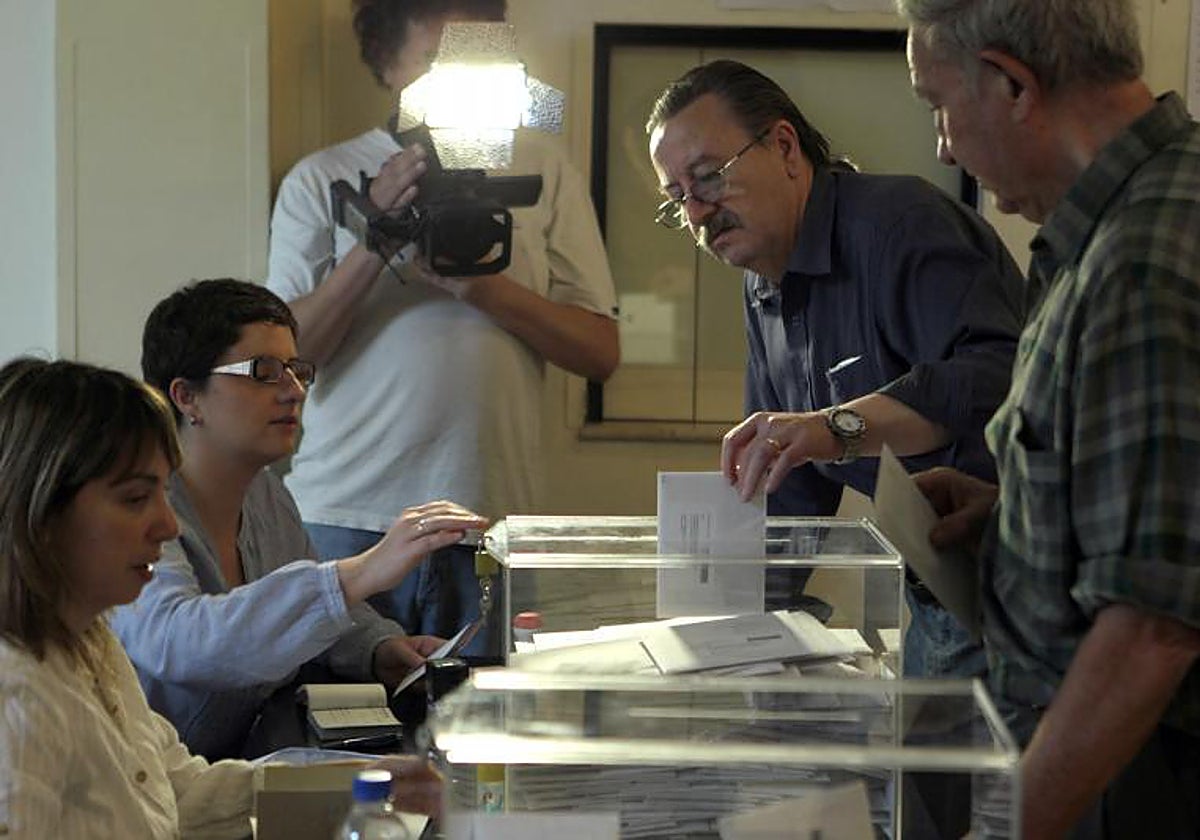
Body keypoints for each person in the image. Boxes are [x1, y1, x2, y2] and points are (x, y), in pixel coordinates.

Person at [898, 0, 1200, 836]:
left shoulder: (1139, 261)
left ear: (1012, 84)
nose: (944, 145)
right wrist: (1019, 511)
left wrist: (1007, 829)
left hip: (1128, 788)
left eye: (938, 106)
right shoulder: (1114, 228)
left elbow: (1151, 626)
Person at [646, 60, 1025, 679]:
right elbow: (789, 484)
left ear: (785, 146)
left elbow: (995, 376)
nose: (697, 214)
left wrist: (838, 426)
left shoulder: (900, 225)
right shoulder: (763, 282)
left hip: (1024, 576)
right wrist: (725, 634)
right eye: (676, 199)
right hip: (937, 586)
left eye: (709, 179)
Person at [267, 0, 619, 657]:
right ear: (385, 62)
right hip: (346, 516)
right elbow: (285, 357)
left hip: (488, 517)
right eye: (433, 61)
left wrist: (485, 291)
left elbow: (601, 351)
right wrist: (375, 240)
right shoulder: (323, 180)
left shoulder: (543, 172)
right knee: (338, 722)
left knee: (487, 738)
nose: (452, 80)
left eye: (474, 61)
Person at [113, 279, 487, 760]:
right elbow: (180, 641)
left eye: (296, 369)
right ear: (186, 396)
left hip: (224, 772)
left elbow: (325, 618)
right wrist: (361, 571)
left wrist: (382, 649)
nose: (293, 391)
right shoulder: (136, 503)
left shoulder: (267, 491)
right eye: (264, 371)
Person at [0, 358, 254, 836]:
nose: (169, 525)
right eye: (136, 499)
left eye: (164, 494)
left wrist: (359, 782)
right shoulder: (17, 694)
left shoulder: (91, 639)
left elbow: (180, 792)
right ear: (40, 512)